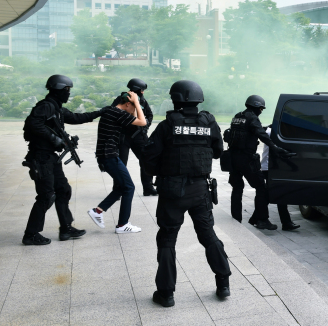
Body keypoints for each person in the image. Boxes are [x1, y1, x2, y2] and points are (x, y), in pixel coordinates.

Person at [143, 80, 232, 306]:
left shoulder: (167, 125)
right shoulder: (209, 122)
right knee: (208, 236)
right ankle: (223, 284)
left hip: (172, 192)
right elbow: (218, 152)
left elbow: (149, 159)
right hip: (201, 190)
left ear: (176, 99)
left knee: (167, 240)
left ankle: (166, 294)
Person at [22, 74, 102, 245]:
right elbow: (34, 124)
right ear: (58, 89)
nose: (68, 94)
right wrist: (54, 139)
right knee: (46, 196)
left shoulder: (56, 108)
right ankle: (31, 234)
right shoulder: (45, 107)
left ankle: (66, 228)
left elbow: (76, 118)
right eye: (66, 90)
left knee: (63, 190)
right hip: (41, 157)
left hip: (51, 157)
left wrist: (100, 112)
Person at [226, 95, 291, 230]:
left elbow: (245, 131)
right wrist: (275, 147)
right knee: (261, 188)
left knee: (237, 188)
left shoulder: (238, 116)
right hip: (247, 159)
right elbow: (261, 134)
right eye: (261, 108)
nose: (261, 111)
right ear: (258, 107)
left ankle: (236, 218)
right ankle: (262, 220)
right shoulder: (253, 118)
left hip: (233, 158)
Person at [87, 91, 146, 233]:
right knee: (129, 188)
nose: (137, 109)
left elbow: (133, 120)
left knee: (121, 187)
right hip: (109, 156)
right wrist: (137, 102)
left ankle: (98, 211)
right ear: (127, 104)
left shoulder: (112, 112)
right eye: (134, 106)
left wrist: (135, 104)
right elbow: (142, 122)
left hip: (107, 155)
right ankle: (122, 225)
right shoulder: (118, 113)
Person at [111, 78, 157, 196]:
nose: (143, 92)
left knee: (146, 160)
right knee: (120, 164)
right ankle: (117, 190)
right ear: (137, 89)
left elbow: (150, 115)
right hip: (123, 136)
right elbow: (112, 115)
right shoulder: (120, 99)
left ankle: (148, 188)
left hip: (138, 135)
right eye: (142, 90)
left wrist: (145, 127)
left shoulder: (142, 100)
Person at [261, 126, 300, 231]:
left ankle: (285, 223)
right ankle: (261, 219)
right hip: (269, 168)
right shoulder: (272, 133)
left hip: (271, 167)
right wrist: (292, 165)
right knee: (272, 195)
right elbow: (278, 152)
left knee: (273, 194)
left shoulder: (271, 131)